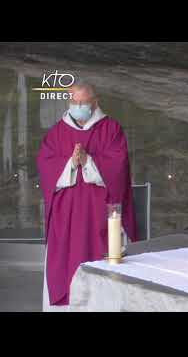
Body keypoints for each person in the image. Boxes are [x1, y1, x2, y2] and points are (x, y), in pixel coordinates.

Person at [37, 82, 137, 311]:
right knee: (63, 267)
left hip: (100, 215)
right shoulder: (56, 133)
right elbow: (46, 166)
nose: (79, 106)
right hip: (66, 217)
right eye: (75, 102)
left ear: (95, 102)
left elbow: (119, 167)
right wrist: (71, 163)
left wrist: (88, 162)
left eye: (83, 103)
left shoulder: (111, 129)